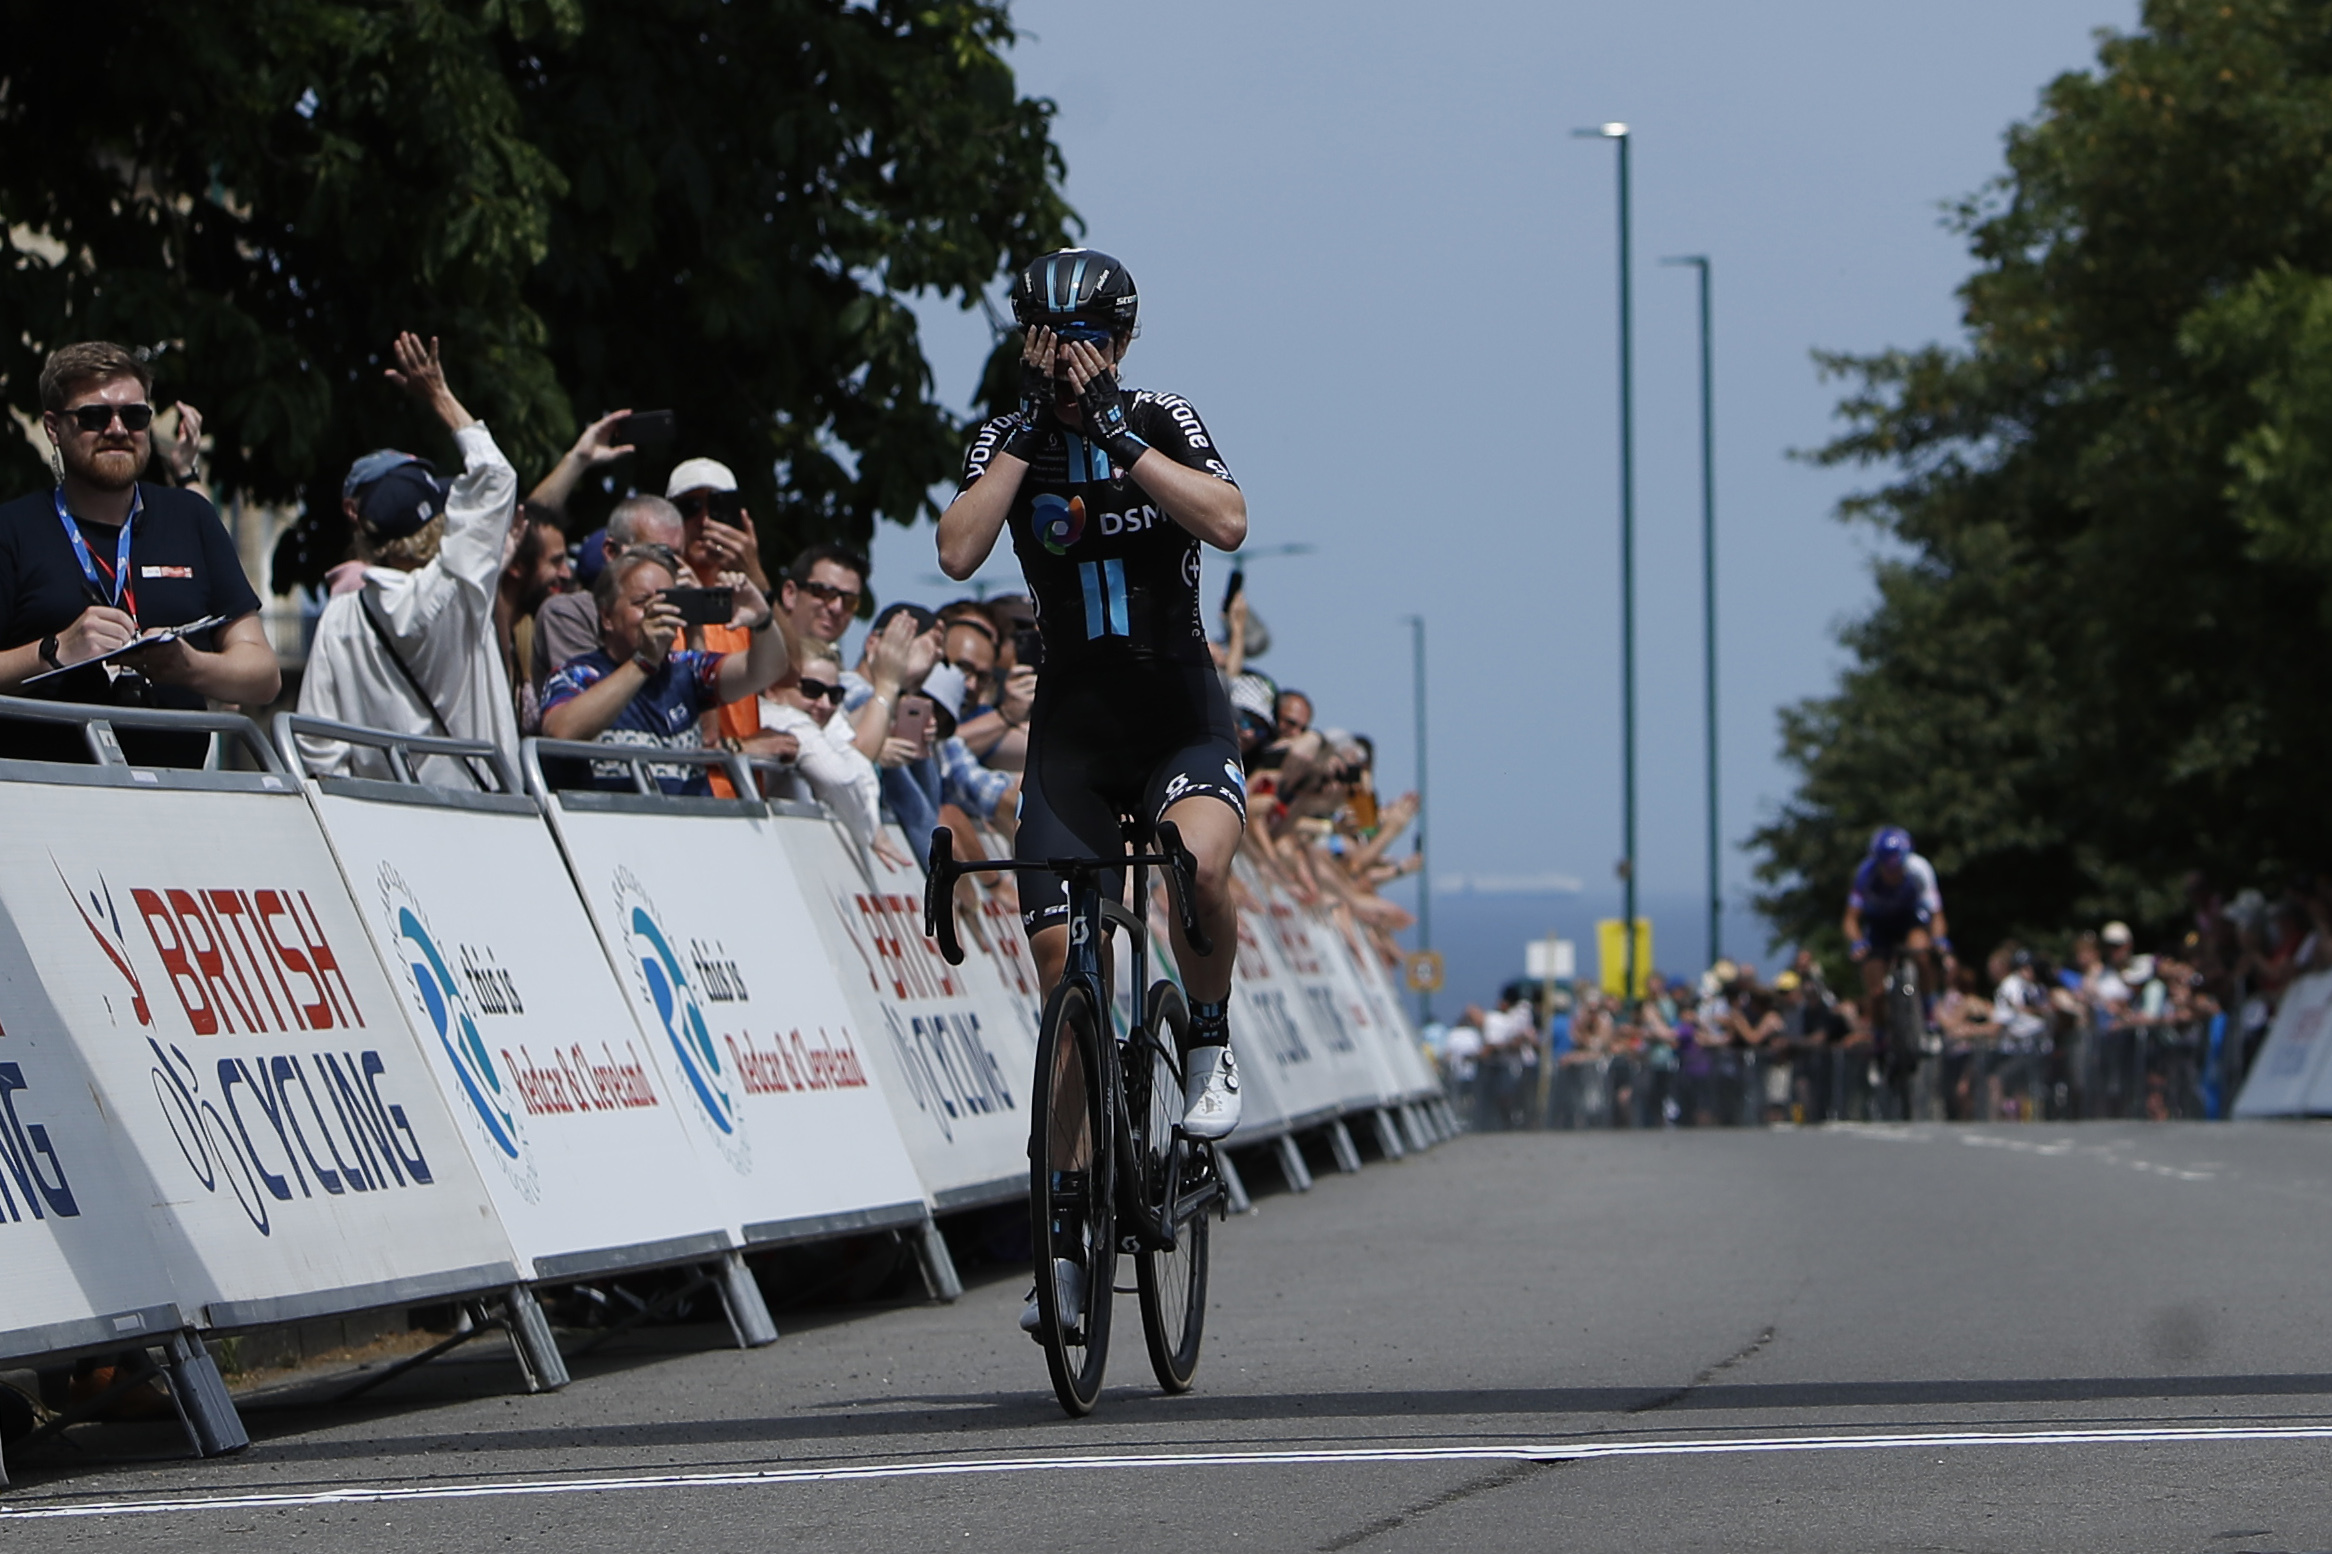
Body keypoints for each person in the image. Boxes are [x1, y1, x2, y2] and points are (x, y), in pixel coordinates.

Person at [937, 247, 1250, 1150]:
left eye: (1092, 343)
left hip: (1178, 720)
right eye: (1052, 342)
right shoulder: (1008, 438)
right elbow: (958, 552)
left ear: (1123, 343)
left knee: (1198, 869)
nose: (1073, 359)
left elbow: (1227, 521)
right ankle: (1069, 1222)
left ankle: (1209, 1036)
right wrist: (1037, 425)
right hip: (1073, 739)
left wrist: (1117, 431)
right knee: (1059, 967)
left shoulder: (1161, 415)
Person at [0, 341, 278, 766]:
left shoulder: (191, 516)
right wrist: (55, 651)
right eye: (94, 416)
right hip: (45, 797)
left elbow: (262, 675)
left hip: (172, 795)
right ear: (53, 427)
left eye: (134, 415)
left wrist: (189, 666)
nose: (117, 429)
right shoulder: (13, 528)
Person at [297, 334, 523, 785]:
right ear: (437, 526)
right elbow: (495, 476)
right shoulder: (460, 584)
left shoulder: (340, 616)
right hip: (485, 818)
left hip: (386, 831)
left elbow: (317, 745)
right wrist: (439, 395)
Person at [539, 544, 782, 794]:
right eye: (642, 602)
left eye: (667, 601)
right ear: (607, 617)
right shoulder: (576, 674)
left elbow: (766, 670)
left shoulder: (687, 668)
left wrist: (762, 620)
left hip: (689, 825)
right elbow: (560, 732)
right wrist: (644, 661)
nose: (657, 611)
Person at [532, 494, 686, 696]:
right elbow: (590, 709)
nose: (673, 569)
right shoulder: (567, 613)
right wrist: (647, 656)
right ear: (612, 552)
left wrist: (695, 633)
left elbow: (695, 715)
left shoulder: (680, 614)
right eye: (659, 555)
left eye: (679, 557)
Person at [760, 651, 884, 854]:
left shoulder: (825, 731)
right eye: (812, 689)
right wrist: (871, 832)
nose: (826, 704)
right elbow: (840, 779)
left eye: (835, 695)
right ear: (772, 688)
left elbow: (859, 766)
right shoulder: (781, 718)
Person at [1842, 825, 1954, 1048]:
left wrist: (1939, 940)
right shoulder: (1866, 874)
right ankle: (1880, 1036)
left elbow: (1936, 914)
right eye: (1888, 868)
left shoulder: (1919, 870)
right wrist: (1856, 943)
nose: (1894, 873)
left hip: (1910, 920)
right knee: (1876, 991)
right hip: (1878, 926)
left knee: (1922, 953)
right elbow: (1851, 918)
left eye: (1898, 867)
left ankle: (1929, 1010)